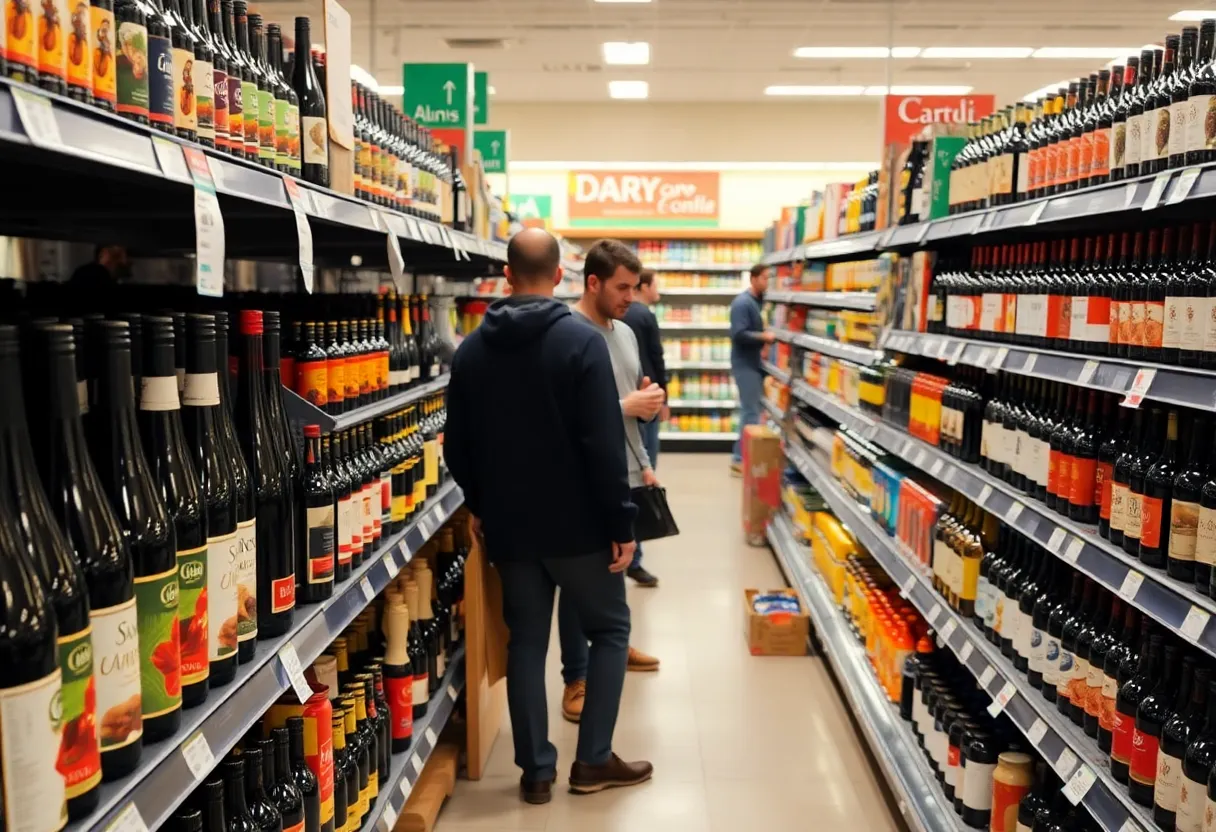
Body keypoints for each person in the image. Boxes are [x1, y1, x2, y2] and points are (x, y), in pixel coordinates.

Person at [443, 228, 653, 804]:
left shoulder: (472, 350)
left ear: (506, 276)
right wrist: (621, 524)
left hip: (511, 527)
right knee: (609, 630)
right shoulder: (581, 343)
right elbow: (603, 447)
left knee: (526, 643)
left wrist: (483, 504)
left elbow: (456, 447)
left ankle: (536, 772)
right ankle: (591, 762)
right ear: (560, 276)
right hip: (580, 528)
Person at [559, 239, 662, 726]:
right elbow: (564, 417)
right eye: (622, 287)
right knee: (580, 580)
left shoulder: (624, 332)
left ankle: (612, 648)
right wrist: (627, 407)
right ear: (593, 282)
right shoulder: (567, 334)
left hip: (623, 470)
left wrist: (643, 459)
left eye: (635, 287)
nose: (630, 296)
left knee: (616, 566)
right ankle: (575, 677)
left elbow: (628, 401)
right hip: (580, 477)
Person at [729, 263, 775, 476]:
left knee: (754, 412)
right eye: (765, 278)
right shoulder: (742, 303)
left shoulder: (762, 302)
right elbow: (738, 334)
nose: (768, 282)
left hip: (757, 364)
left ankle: (744, 457)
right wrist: (763, 337)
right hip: (745, 364)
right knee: (750, 412)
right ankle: (739, 459)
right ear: (753, 279)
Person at [621, 269, 667, 474]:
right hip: (648, 391)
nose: (658, 290)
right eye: (655, 285)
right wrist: (664, 398)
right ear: (645, 286)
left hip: (626, 391)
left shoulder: (621, 313)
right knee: (648, 450)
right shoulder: (646, 315)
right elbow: (657, 357)